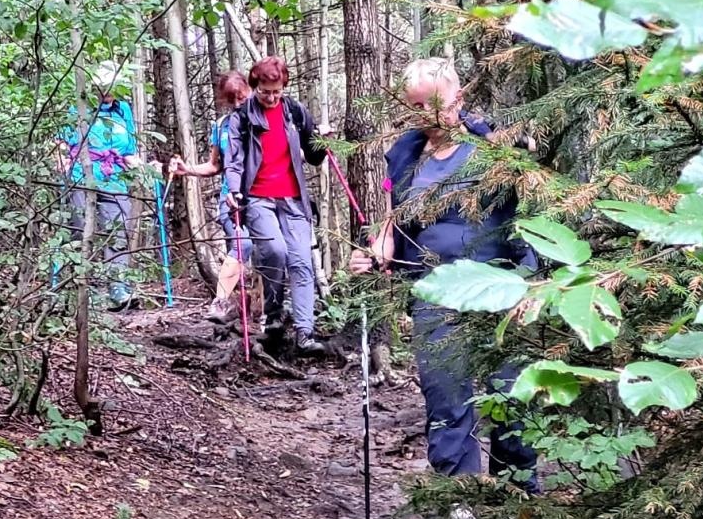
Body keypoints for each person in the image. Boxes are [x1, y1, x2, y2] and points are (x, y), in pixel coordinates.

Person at [352, 57, 540, 496]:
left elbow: (530, 217)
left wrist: (532, 280)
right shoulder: (405, 158)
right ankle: (458, 502)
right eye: (415, 106)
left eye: (435, 104)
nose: (426, 116)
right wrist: (381, 248)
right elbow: (395, 217)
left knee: (511, 398)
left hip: (501, 288)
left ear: (459, 98)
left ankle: (518, 500)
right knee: (445, 398)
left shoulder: (497, 150)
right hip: (434, 292)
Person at [221, 57, 334, 355]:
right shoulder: (242, 117)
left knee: (301, 261)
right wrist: (234, 191)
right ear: (255, 87)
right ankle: (272, 317)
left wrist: (323, 143)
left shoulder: (295, 111)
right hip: (257, 197)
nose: (271, 97)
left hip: (293, 198)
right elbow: (233, 161)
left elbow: (313, 155)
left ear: (283, 87)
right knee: (274, 251)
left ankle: (304, 333)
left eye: (276, 91)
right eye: (265, 92)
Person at [57, 61, 142, 311]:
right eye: (104, 86)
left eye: (113, 86)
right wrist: (61, 163)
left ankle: (117, 288)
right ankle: (86, 290)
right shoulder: (78, 106)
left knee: (119, 229)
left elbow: (128, 151)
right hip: (80, 174)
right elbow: (61, 142)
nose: (108, 91)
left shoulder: (122, 109)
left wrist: (146, 169)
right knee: (80, 229)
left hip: (114, 176)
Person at [169, 71, 253, 322]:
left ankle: (264, 314)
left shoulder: (263, 120)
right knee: (242, 244)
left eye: (241, 97)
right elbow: (214, 165)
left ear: (249, 91)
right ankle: (221, 304)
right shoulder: (221, 126)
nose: (237, 104)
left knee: (270, 253)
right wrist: (188, 170)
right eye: (231, 100)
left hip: (265, 197)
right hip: (231, 199)